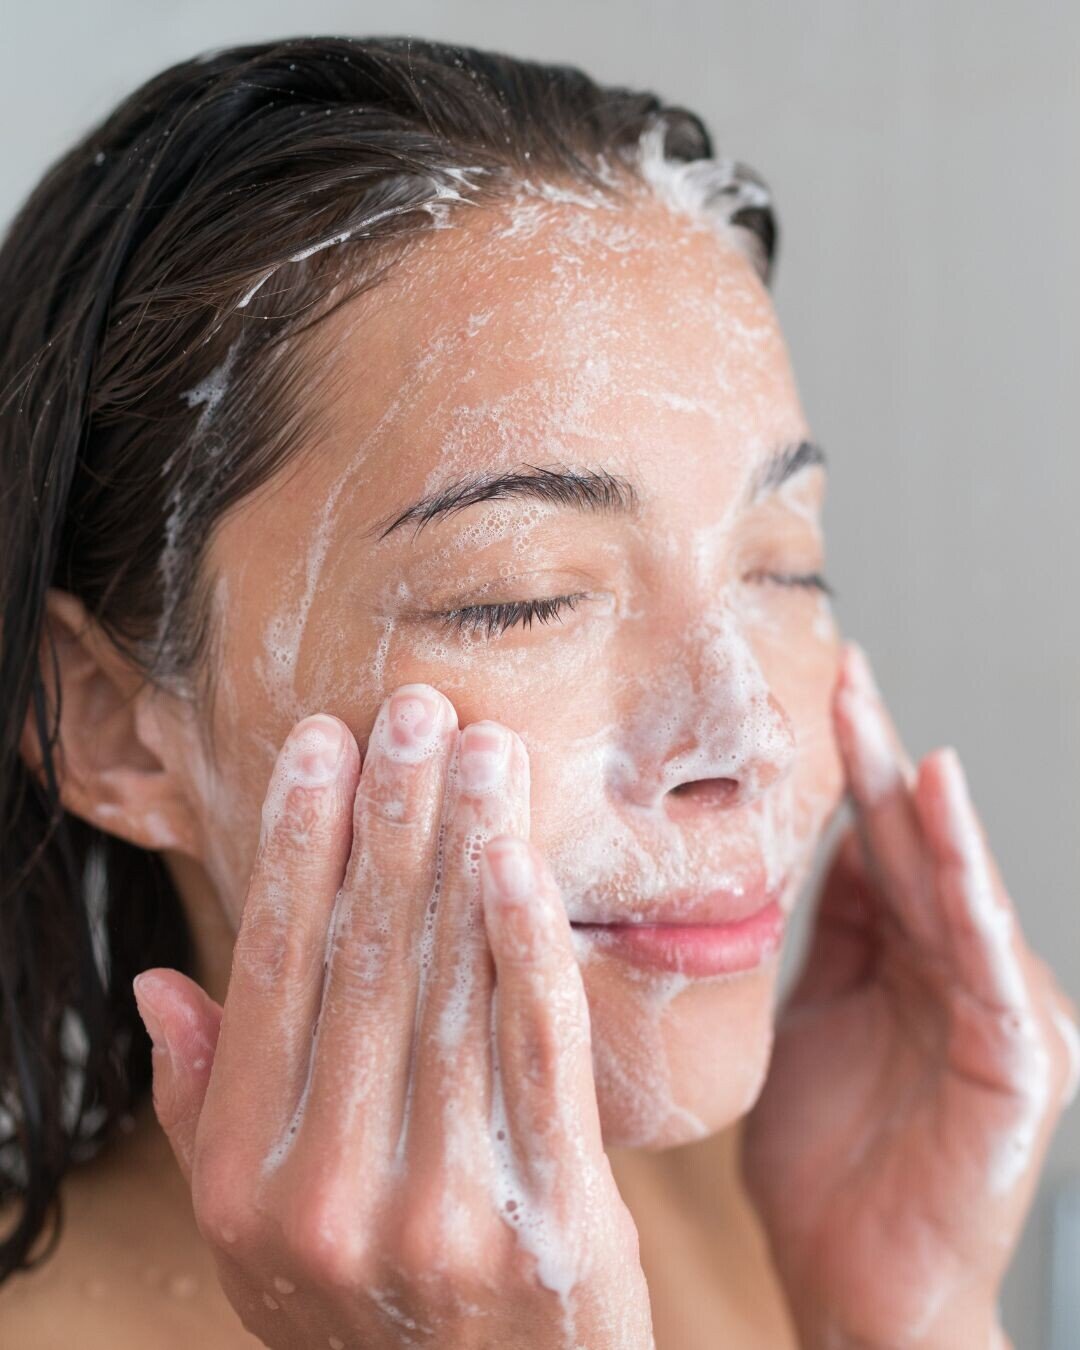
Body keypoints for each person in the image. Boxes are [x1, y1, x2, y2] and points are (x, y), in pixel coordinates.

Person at [0, 34, 1075, 1350]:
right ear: (113, 724)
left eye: (783, 564)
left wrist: (903, 1317)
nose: (751, 732)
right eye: (522, 596)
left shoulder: (729, 1202)